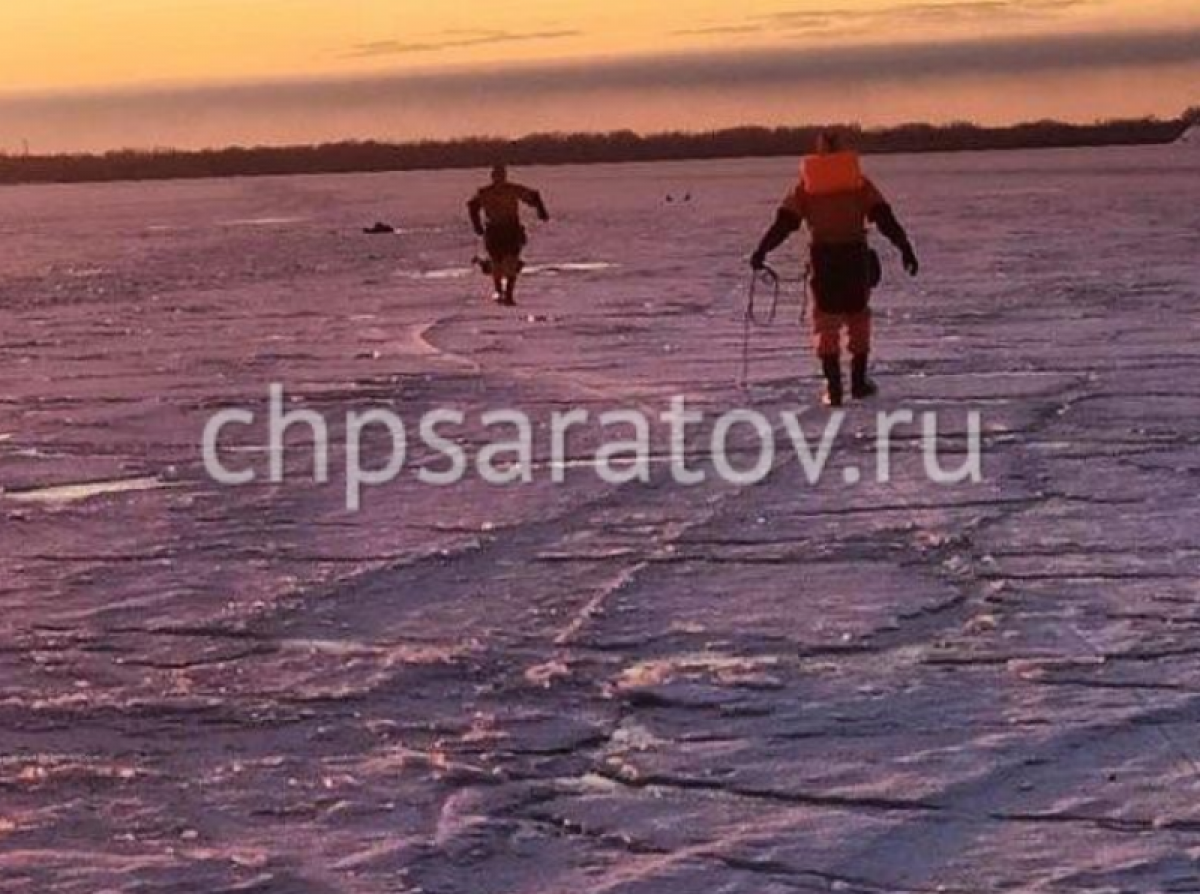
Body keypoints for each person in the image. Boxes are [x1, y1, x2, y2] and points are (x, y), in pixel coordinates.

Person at [751, 131, 919, 407]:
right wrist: (905, 248)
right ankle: (859, 382)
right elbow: (885, 218)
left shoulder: (806, 186)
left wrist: (761, 250)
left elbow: (784, 223)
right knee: (858, 317)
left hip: (824, 258)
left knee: (825, 322)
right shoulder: (859, 183)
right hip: (855, 257)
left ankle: (834, 387)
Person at [467, 164, 550, 306]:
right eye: (496, 176)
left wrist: (541, 212)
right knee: (496, 263)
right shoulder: (485, 192)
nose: (499, 179)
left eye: (501, 176)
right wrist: (477, 226)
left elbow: (534, 196)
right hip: (494, 230)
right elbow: (472, 206)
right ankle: (499, 292)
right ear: (492, 177)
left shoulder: (512, 189)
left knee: (511, 262)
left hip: (511, 229)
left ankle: (509, 295)